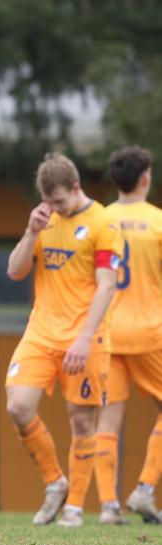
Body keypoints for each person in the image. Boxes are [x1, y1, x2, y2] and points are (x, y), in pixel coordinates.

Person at [5, 152, 122, 527]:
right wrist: (30, 232)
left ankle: (73, 507)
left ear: (76, 187)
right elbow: (15, 270)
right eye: (47, 202)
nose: (53, 208)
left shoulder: (103, 222)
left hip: (85, 337)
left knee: (81, 421)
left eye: (58, 201)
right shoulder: (45, 220)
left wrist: (85, 339)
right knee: (18, 406)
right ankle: (55, 481)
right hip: (41, 333)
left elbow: (106, 286)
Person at [100, 146, 162, 524]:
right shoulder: (157, 222)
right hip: (149, 332)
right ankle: (144, 489)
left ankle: (109, 506)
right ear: (145, 178)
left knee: (108, 423)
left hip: (108, 333)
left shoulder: (100, 220)